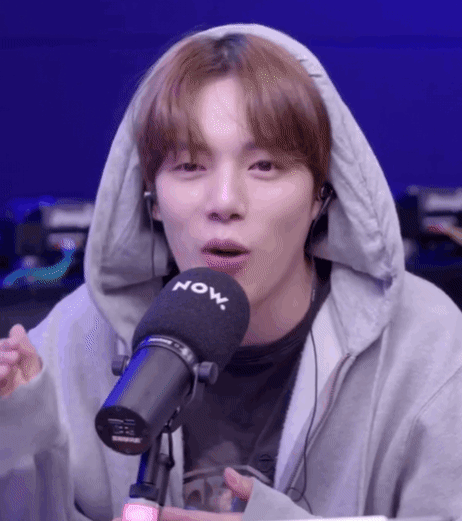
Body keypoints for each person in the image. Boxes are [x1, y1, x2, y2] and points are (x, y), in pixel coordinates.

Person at [1, 23, 462, 521]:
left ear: (320, 197)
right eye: (189, 166)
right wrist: (15, 436)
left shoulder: (429, 343)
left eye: (264, 166)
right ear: (151, 199)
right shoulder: (74, 337)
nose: (224, 202)